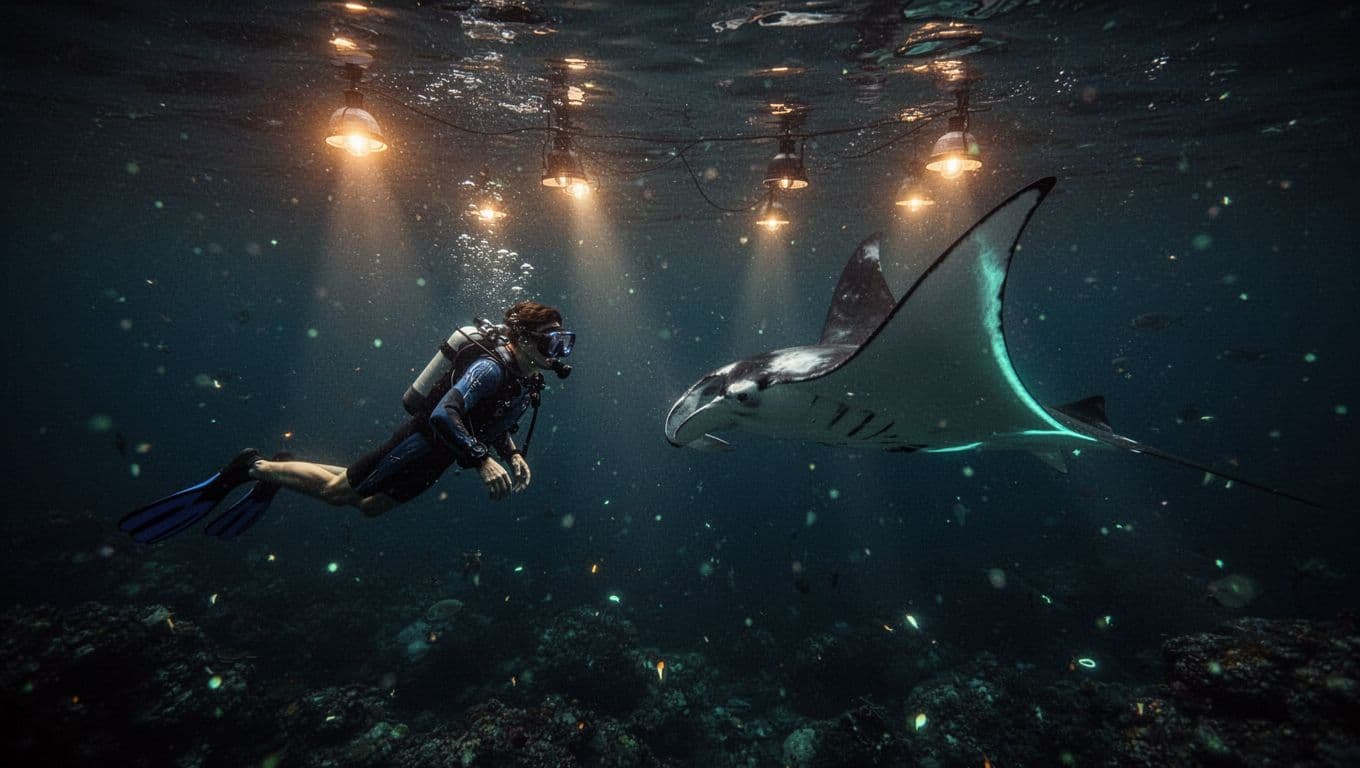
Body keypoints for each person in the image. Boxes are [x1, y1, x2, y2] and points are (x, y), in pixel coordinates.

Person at [119, 300, 575, 543]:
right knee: (342, 494)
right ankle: (254, 468)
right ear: (523, 339)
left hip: (440, 457)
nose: (558, 354)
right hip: (419, 444)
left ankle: (283, 468)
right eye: (551, 343)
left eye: (562, 343)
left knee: (371, 506)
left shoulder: (524, 379)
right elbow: (445, 411)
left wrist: (511, 454)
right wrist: (482, 461)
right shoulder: (492, 368)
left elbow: (496, 418)